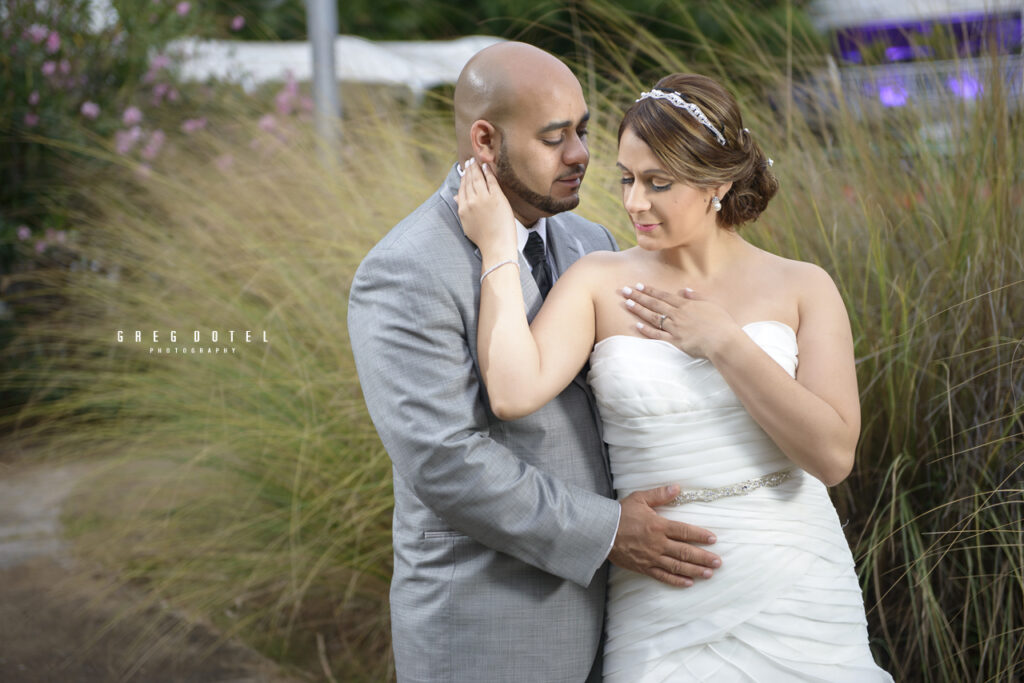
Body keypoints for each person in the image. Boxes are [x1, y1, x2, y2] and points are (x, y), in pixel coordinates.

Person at [458, 72, 893, 681]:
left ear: (717, 183)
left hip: (795, 581)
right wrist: (497, 249)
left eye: (658, 183)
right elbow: (510, 390)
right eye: (627, 179)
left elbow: (832, 457)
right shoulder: (598, 279)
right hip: (661, 595)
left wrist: (722, 343)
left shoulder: (804, 287)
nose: (635, 202)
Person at [348, 45, 721, 683]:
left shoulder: (593, 242)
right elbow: (444, 458)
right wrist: (608, 532)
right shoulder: (404, 270)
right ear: (485, 140)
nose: (579, 154)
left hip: (633, 618)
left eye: (582, 130)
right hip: (490, 623)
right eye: (554, 138)